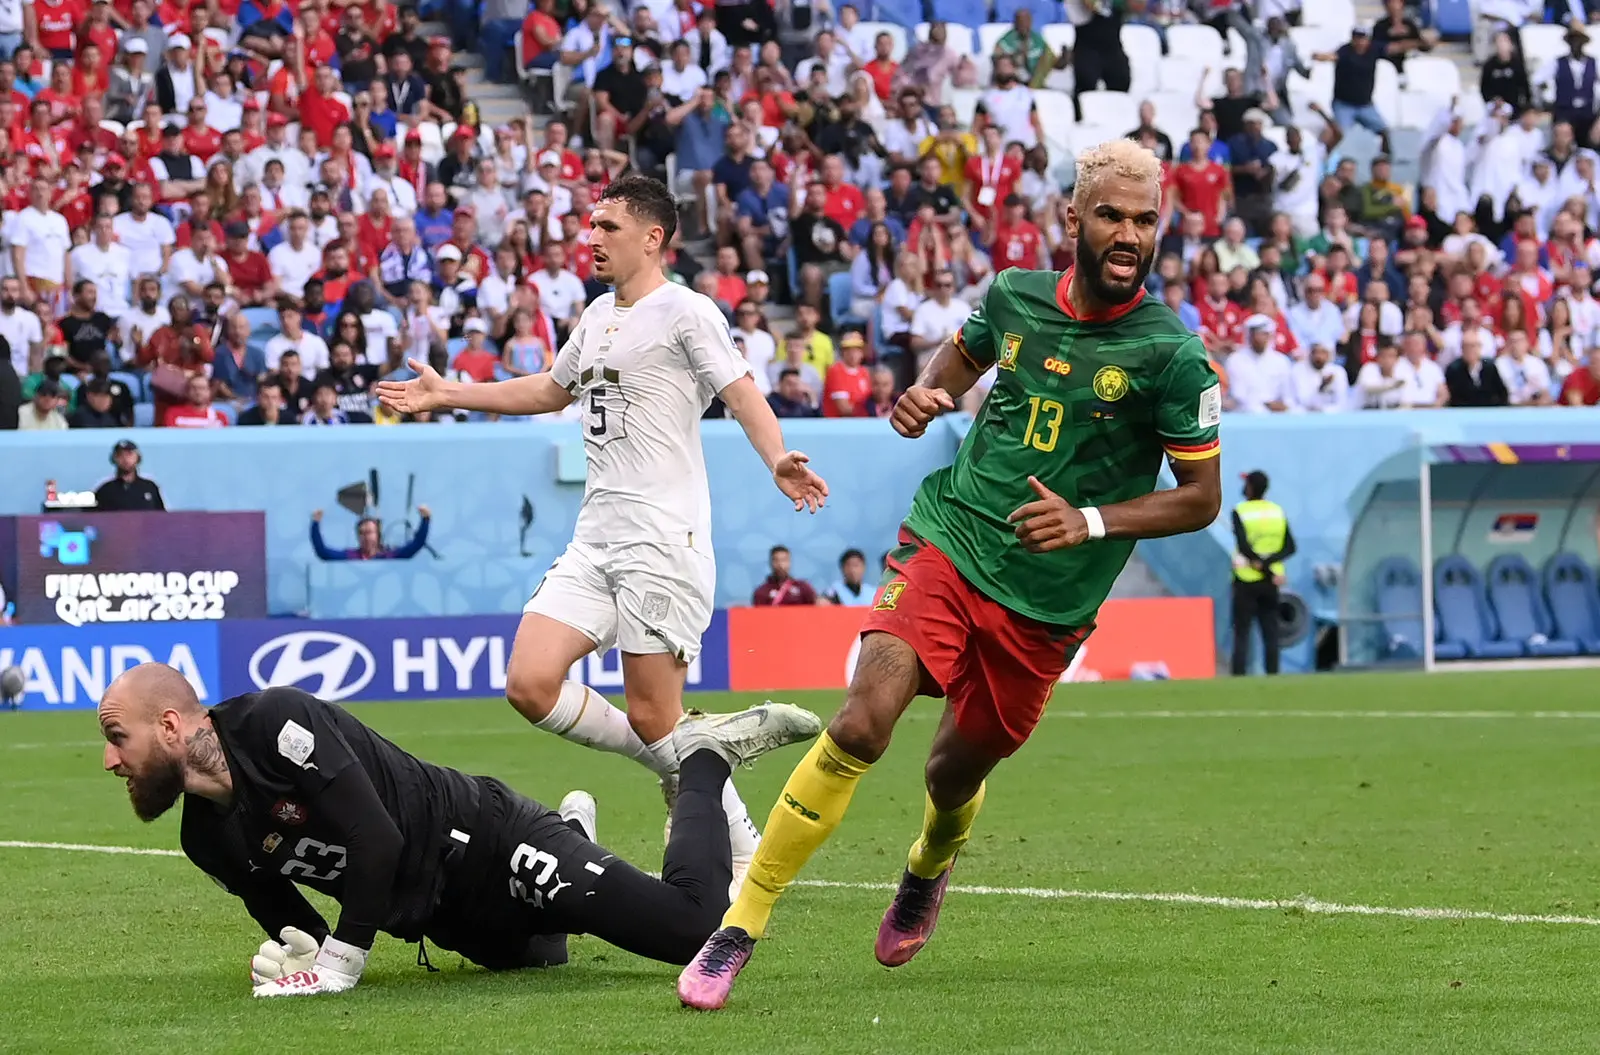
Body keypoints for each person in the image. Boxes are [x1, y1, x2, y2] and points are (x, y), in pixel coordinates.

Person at [678, 140, 1223, 1009]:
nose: (1129, 234)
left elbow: (1200, 498)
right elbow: (959, 361)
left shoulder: (1171, 355)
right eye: (1112, 216)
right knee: (862, 721)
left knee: (951, 775)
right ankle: (739, 924)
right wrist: (925, 392)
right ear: (1073, 221)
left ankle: (928, 863)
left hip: (1047, 603)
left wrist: (1087, 521)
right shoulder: (1013, 296)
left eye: (1145, 219)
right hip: (951, 537)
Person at [375, 175, 829, 899]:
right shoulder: (594, 315)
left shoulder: (686, 311)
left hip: (660, 538)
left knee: (654, 714)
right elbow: (551, 390)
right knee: (529, 681)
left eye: (609, 226)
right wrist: (446, 392)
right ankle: (703, 764)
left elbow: (743, 393)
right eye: (590, 225)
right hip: (596, 537)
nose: (592, 237)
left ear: (653, 237)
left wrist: (777, 457)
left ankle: (743, 843)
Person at [96, 662, 823, 996]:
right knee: (543, 961)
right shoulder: (204, 837)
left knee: (693, 933)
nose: (108, 759)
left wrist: (342, 964)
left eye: (116, 736)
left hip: (490, 839)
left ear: (168, 725)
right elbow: (293, 923)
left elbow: (375, 837)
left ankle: (700, 759)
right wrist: (297, 958)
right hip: (446, 916)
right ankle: (577, 834)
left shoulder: (273, 720)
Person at [1230, 470, 1295, 676]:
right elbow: (1289, 547)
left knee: (1242, 633)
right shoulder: (1277, 511)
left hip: (1246, 579)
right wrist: (1270, 566)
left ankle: (1238, 675)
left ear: (1249, 487)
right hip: (1272, 580)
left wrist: (1260, 564)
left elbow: (1243, 546)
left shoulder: (1240, 511)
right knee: (1271, 632)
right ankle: (1273, 675)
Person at [311, 507, 433, 560]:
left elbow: (417, 544)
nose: (365, 537)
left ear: (378, 534)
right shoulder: (351, 557)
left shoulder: (389, 556)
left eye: (369, 532)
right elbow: (323, 553)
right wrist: (315, 523)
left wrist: (425, 519)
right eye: (361, 533)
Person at [95, 439, 166, 511]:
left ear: (138, 457)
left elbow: (162, 517)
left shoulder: (150, 487)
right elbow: (92, 517)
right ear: (114, 458)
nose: (125, 459)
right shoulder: (105, 489)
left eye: (129, 454)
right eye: (120, 455)